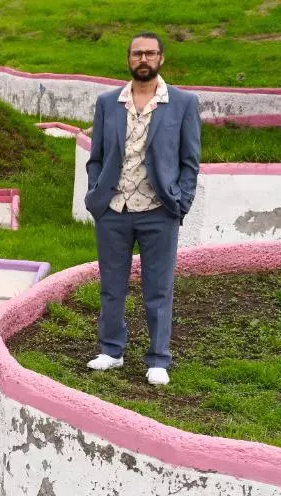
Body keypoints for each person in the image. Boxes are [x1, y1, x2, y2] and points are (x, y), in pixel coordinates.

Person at [83, 31, 201, 386]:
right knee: (111, 286)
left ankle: (158, 358)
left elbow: (190, 161)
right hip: (113, 210)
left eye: (150, 53)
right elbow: (96, 157)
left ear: (161, 58)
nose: (143, 59)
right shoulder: (108, 102)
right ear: (129, 59)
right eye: (137, 53)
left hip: (159, 210)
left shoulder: (182, 103)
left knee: (158, 288)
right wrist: (95, 195)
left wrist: (180, 202)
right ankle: (111, 350)